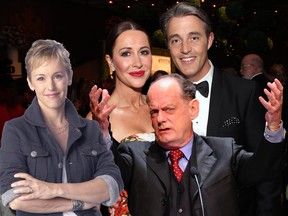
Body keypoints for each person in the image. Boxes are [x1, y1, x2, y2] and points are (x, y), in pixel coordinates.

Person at [159, 2, 282, 216]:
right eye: (176, 40)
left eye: (194, 37)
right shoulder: (159, 98)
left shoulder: (244, 92)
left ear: (210, 40)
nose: (185, 48)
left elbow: (265, 172)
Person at [110, 73, 284, 216]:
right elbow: (112, 170)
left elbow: (263, 169)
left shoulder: (224, 152)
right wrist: (102, 133)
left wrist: (274, 126)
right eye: (154, 112)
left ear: (193, 109)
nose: (160, 119)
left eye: (169, 109)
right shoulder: (134, 154)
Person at [0, 39, 123, 216]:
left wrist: (52, 190)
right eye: (41, 78)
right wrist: (81, 202)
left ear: (69, 77)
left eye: (57, 76)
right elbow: (15, 198)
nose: (50, 86)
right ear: (30, 83)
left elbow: (110, 187)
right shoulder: (15, 130)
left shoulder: (91, 130)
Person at [87, 20, 154, 215]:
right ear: (110, 61)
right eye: (126, 53)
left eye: (144, 52)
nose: (138, 62)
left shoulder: (162, 106)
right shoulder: (98, 119)